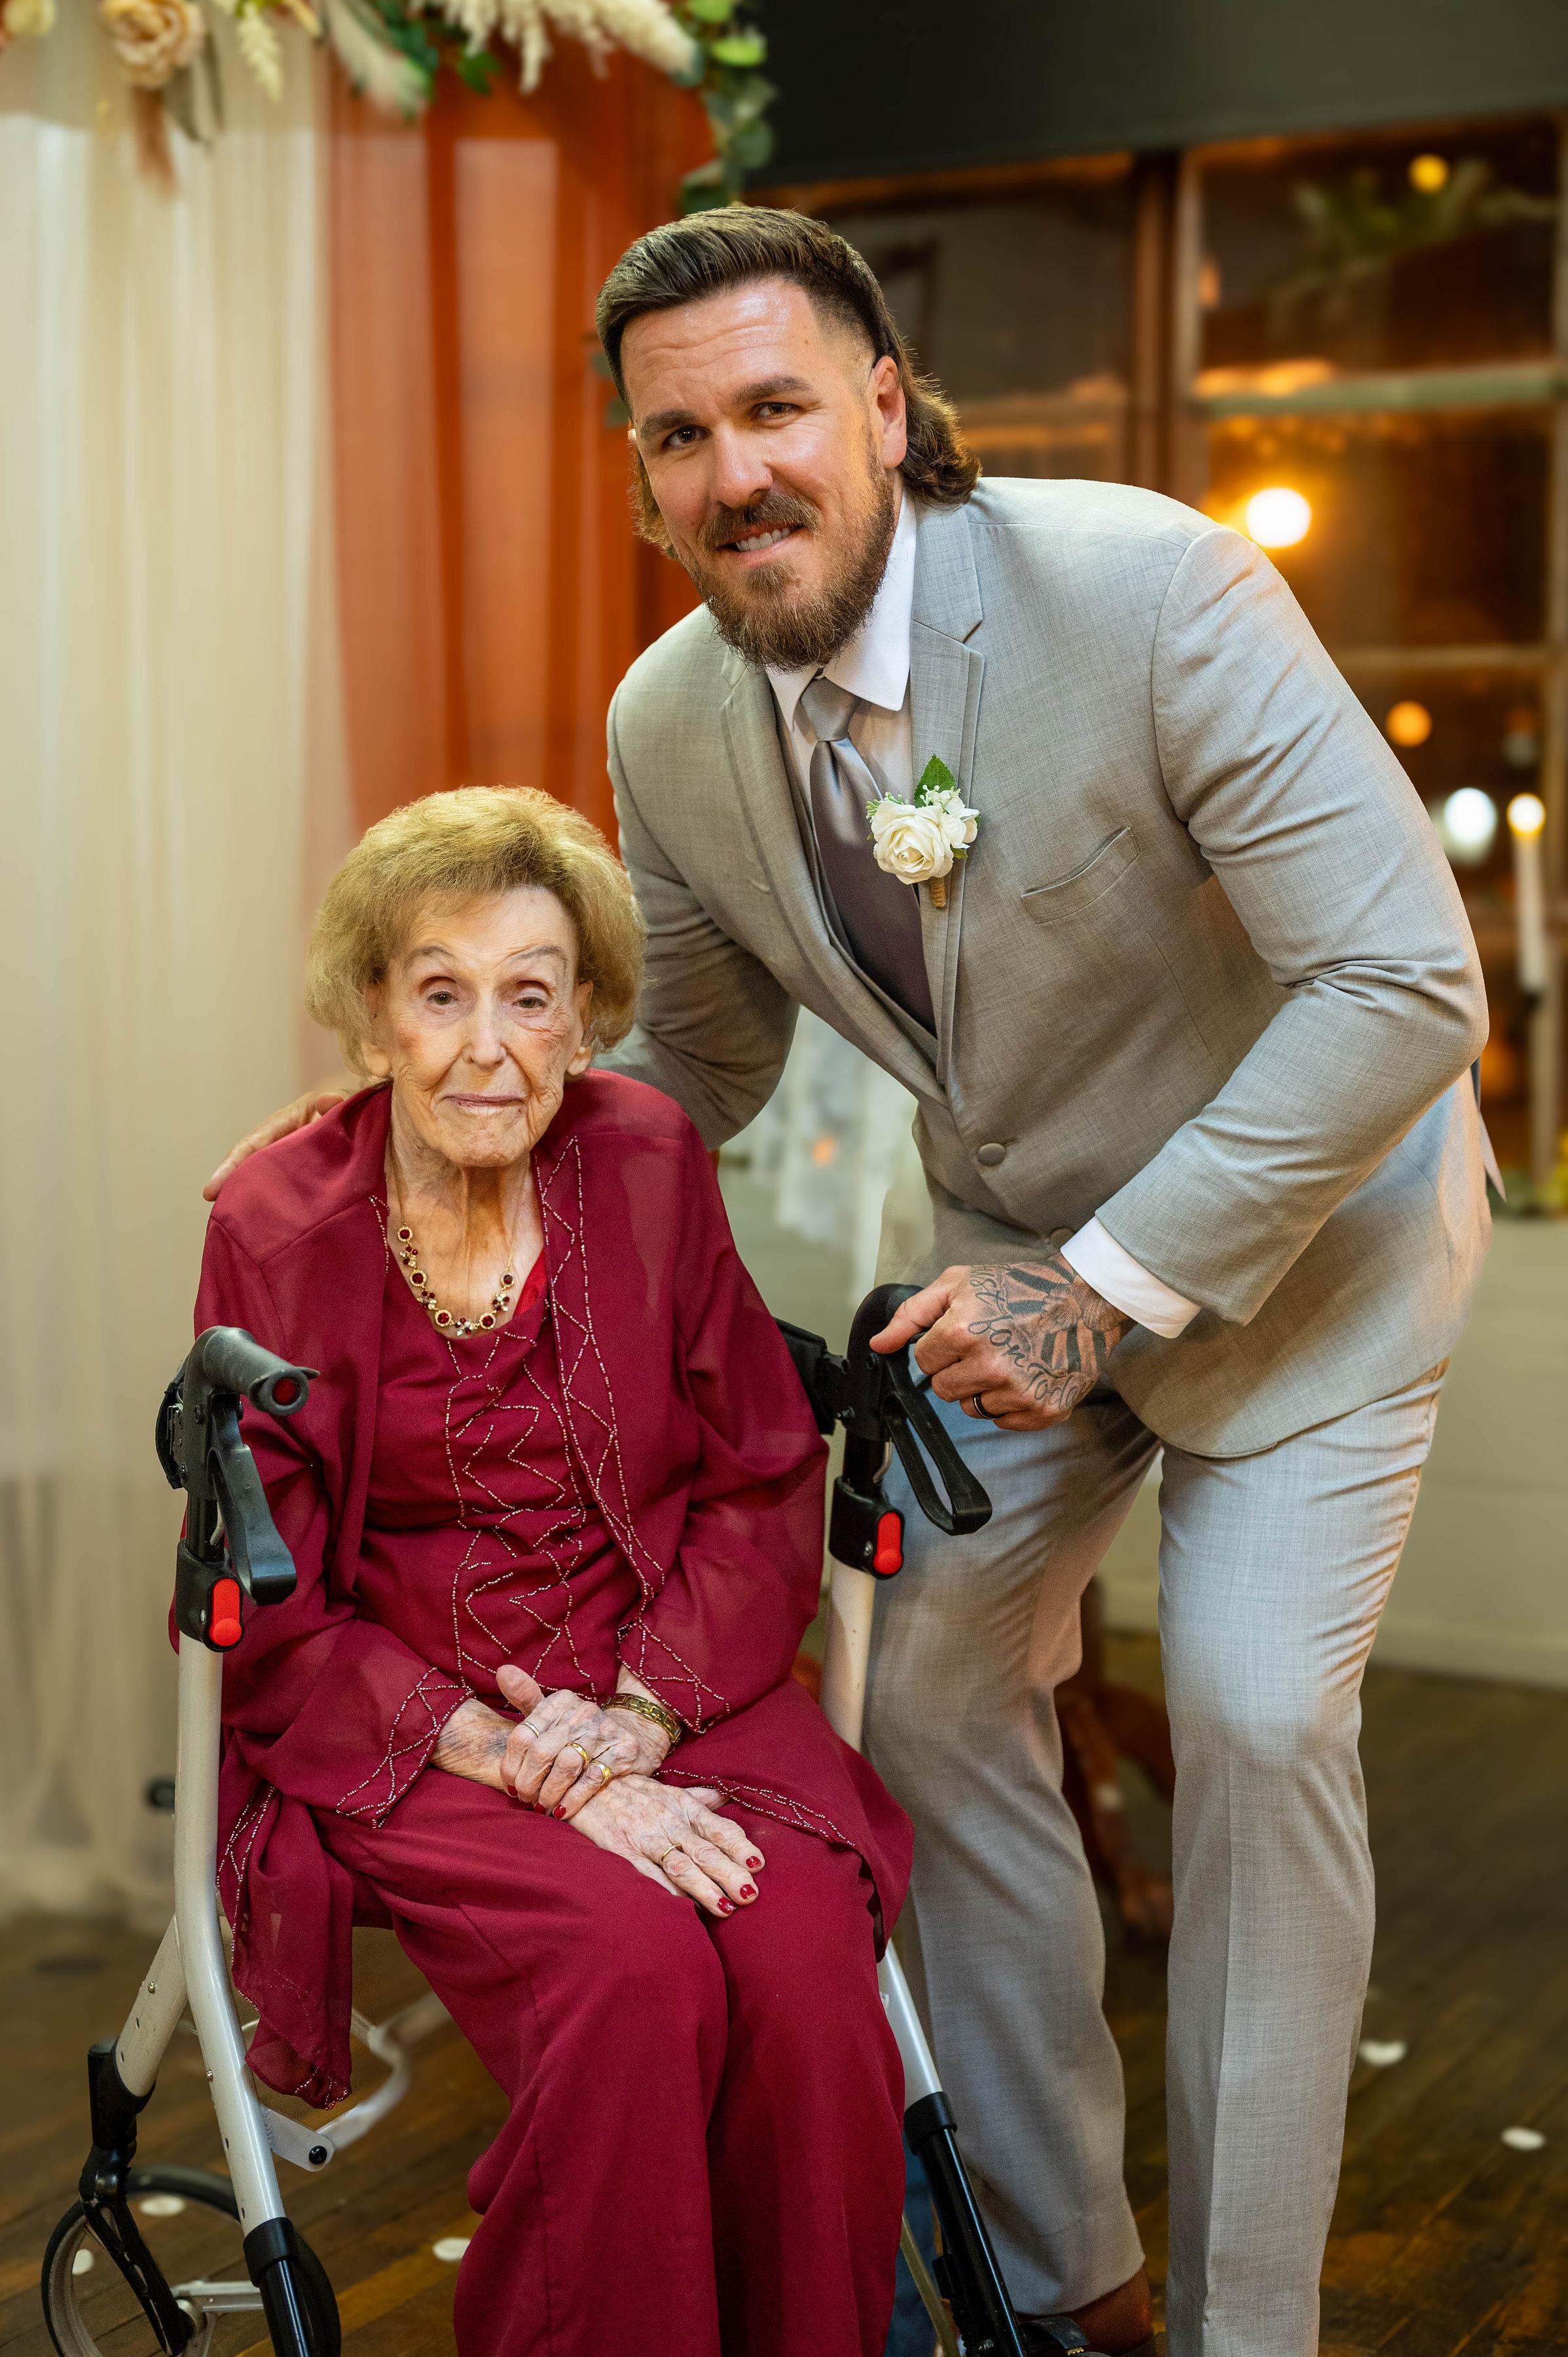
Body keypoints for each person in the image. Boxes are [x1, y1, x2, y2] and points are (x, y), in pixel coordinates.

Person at [215, 212, 1492, 2357]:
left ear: (886, 407)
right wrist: (398, 1169)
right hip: (1004, 1258)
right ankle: (1063, 2275)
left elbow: (1400, 982)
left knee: (1262, 1723)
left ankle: (1244, 2331)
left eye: (779, 409)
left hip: (1308, 1242)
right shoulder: (671, 722)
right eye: (682, 436)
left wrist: (1104, 1289)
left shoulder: (1147, 591)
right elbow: (681, 1069)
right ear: (643, 474)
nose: (739, 474)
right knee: (916, 1696)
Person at [196, 784, 911, 2357]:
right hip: (408, 1710)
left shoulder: (647, 1155)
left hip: (670, 1665)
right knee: (631, 1965)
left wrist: (642, 1718)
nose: (485, 1046)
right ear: (371, 1010)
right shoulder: (276, 1221)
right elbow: (282, 1599)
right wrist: (540, 1766)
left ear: (586, 1016)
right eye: (439, 992)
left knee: (796, 1960)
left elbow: (758, 1477)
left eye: (531, 994)